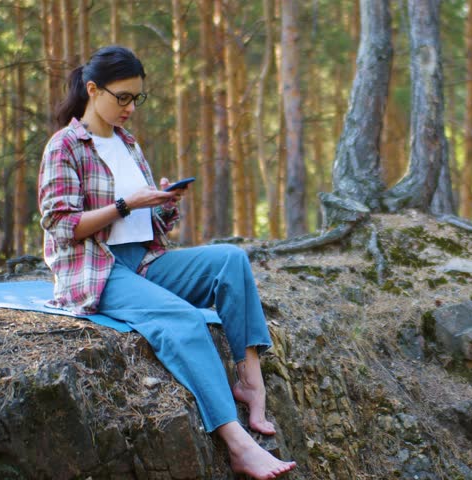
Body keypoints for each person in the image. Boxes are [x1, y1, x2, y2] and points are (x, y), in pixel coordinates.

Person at [37, 45, 296, 480]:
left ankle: (250, 382)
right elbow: (62, 225)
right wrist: (125, 203)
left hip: (144, 261)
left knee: (230, 260)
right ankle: (237, 443)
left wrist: (162, 203)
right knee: (183, 319)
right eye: (122, 97)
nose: (130, 108)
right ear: (92, 89)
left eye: (137, 99)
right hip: (95, 269)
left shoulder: (128, 144)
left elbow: (143, 221)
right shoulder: (65, 146)